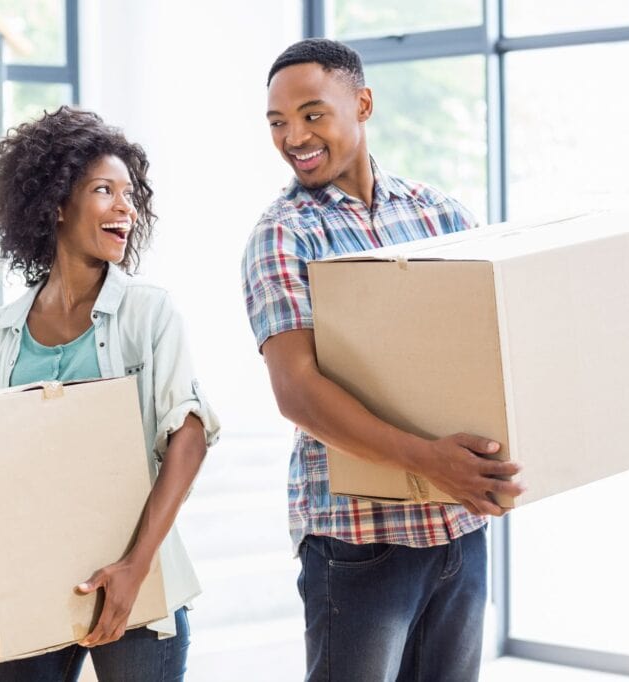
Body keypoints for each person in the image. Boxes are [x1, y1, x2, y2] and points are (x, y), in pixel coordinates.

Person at [241, 38, 526, 682]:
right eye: (279, 123)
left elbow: (485, 353)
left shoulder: (442, 215)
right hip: (358, 541)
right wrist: (428, 460)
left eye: (313, 114)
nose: (294, 137)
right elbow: (298, 390)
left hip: (458, 526)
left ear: (362, 103)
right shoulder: (284, 234)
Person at [0, 106, 220, 682]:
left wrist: (132, 569)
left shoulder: (149, 314)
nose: (126, 208)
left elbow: (190, 439)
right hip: (29, 581)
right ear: (55, 203)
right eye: (105, 191)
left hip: (137, 574)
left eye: (130, 194)